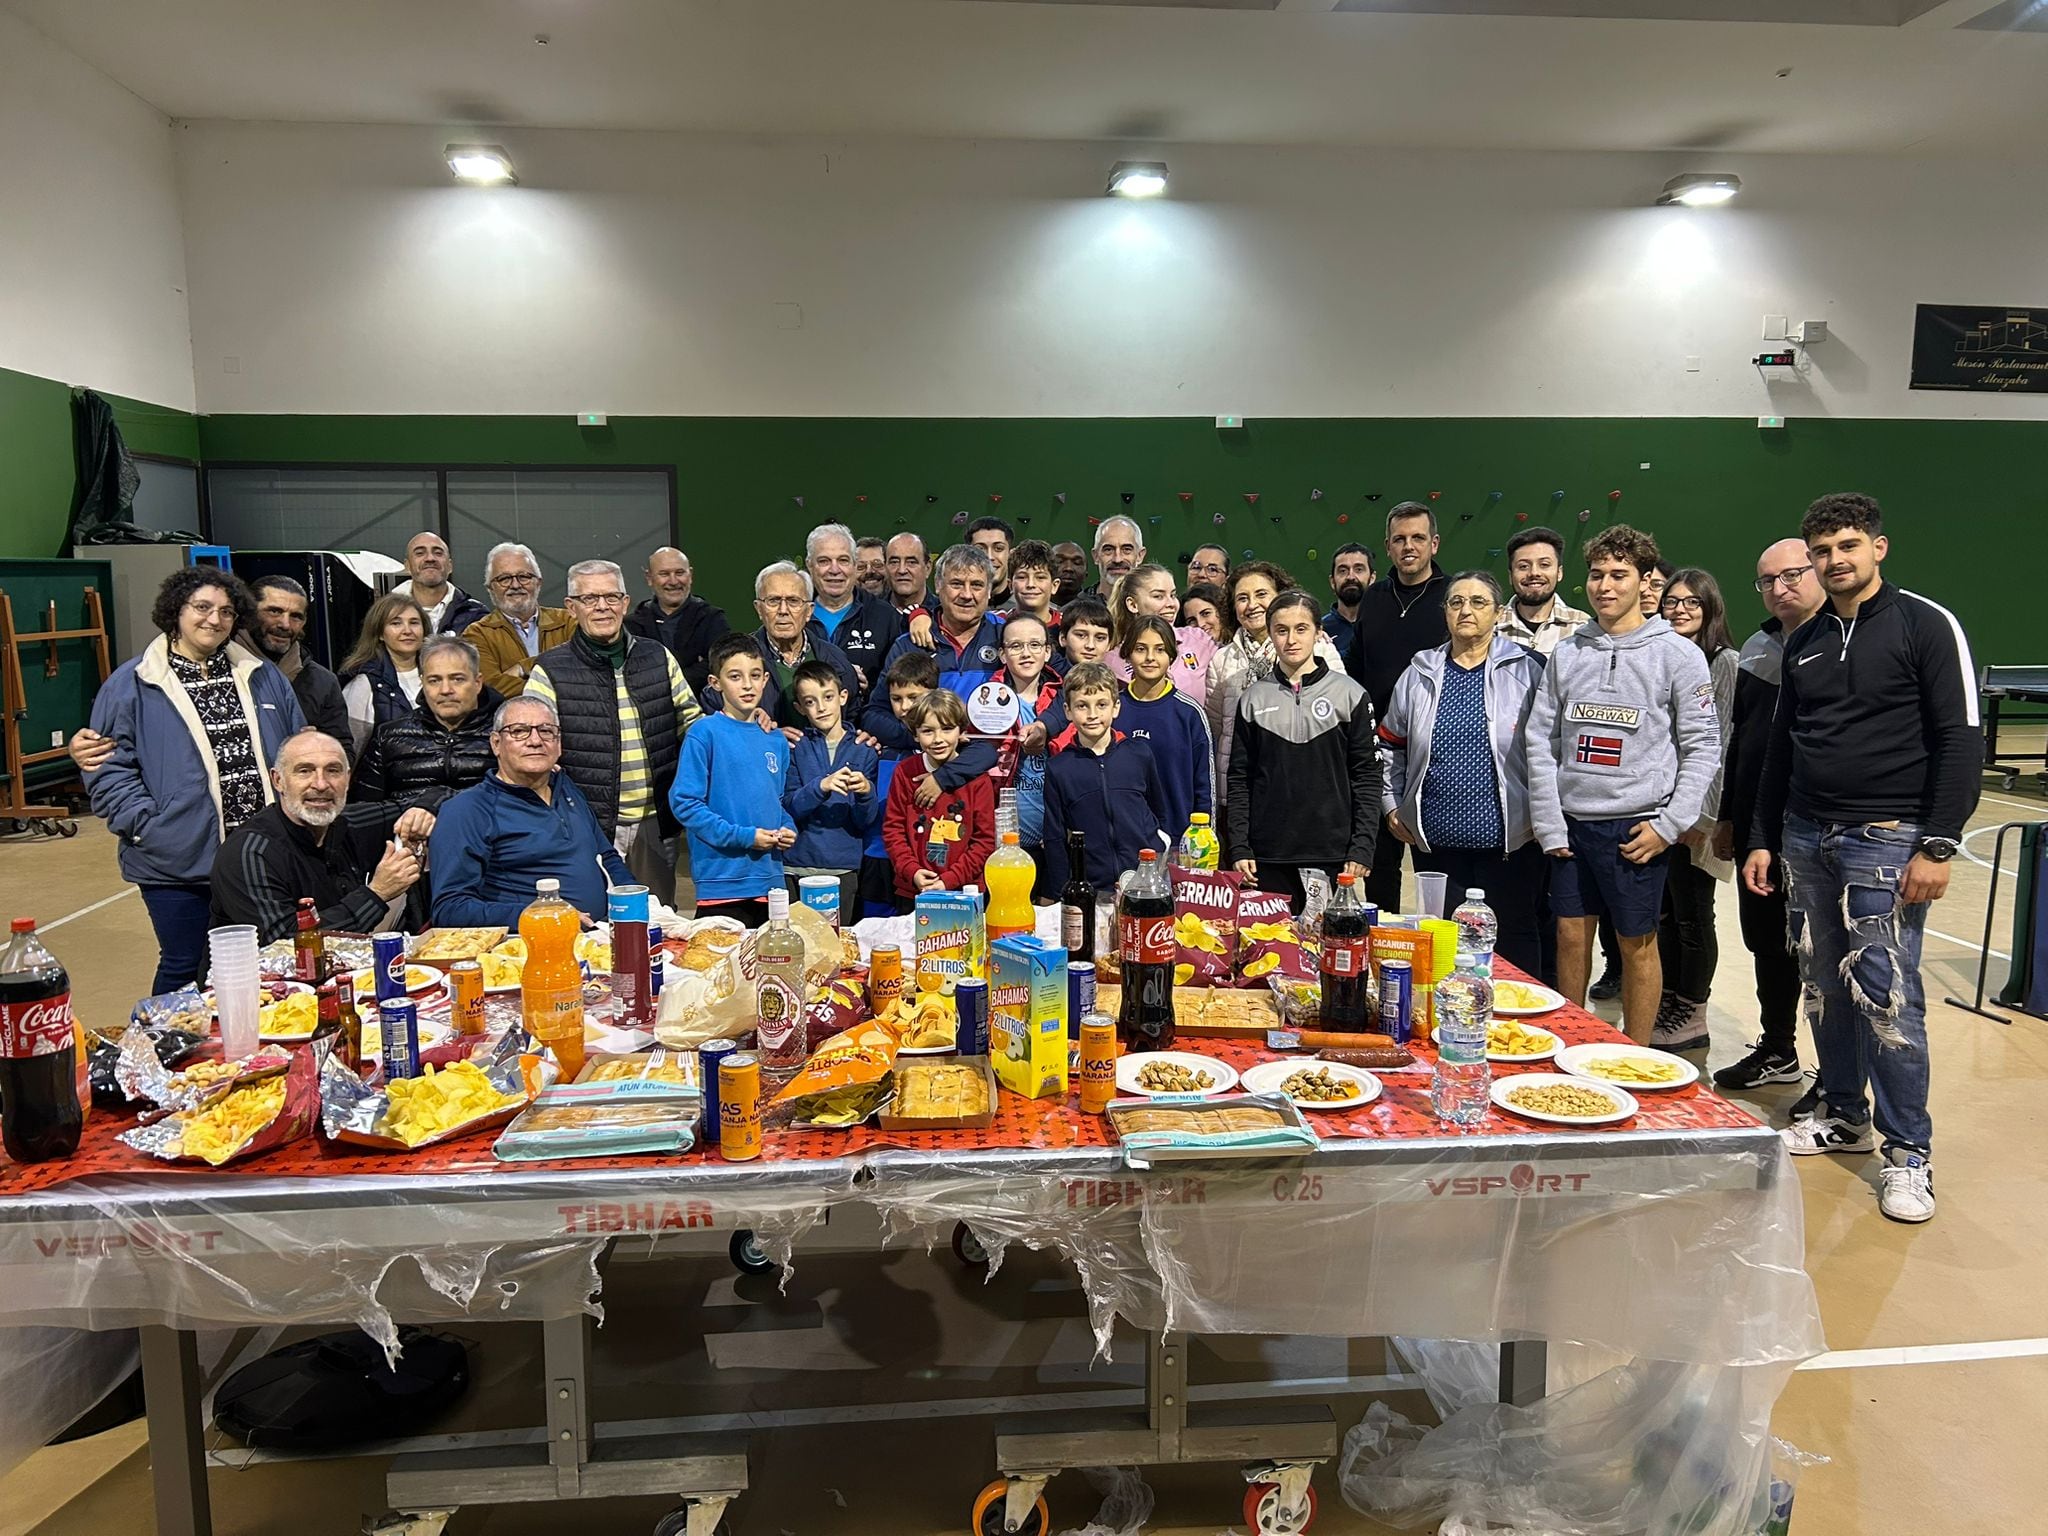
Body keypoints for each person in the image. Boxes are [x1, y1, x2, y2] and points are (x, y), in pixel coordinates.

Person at [1744, 493, 1978, 1224]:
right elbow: (1782, 747)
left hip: (1888, 838)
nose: (1834, 560)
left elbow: (1962, 738)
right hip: (1808, 838)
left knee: (1885, 993)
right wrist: (1762, 834)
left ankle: (1909, 1153)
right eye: (1822, 550)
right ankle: (1845, 1113)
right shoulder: (1805, 640)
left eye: (1847, 544)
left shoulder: (1925, 625)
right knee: (1822, 983)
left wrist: (1937, 844)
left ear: (1878, 547)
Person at [1527, 525, 1718, 1045]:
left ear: (1644, 581)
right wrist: (1549, 821)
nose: (1604, 586)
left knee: (1637, 942)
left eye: (1619, 575)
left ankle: (1638, 1054)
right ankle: (1570, 1043)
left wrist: (1669, 824)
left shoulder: (1678, 654)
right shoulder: (1569, 653)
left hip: (1637, 830)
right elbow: (1541, 738)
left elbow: (1703, 745)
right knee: (1569, 937)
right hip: (1571, 825)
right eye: (1596, 575)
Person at [84, 569, 305, 990]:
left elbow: (296, 746)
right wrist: (151, 826)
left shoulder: (262, 675)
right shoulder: (132, 684)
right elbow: (107, 768)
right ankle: (163, 1052)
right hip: (177, 864)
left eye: (226, 611)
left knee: (263, 968)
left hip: (256, 856)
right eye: (202, 608)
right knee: (185, 968)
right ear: (176, 611)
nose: (214, 619)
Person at [1379, 572, 1546, 977]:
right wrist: (1391, 804)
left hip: (1511, 841)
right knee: (1445, 949)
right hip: (1436, 844)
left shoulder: (1528, 669)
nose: (1465, 610)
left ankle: (1518, 1026)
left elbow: (1549, 750)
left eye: (1478, 602)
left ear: (1498, 613)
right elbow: (1389, 745)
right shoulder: (1419, 672)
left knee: (1516, 941)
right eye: (1455, 602)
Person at [1712, 539, 1826, 1095]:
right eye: (1767, 580)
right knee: (1766, 941)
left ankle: (1839, 1077)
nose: (1780, 589)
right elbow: (1742, 743)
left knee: (1825, 952)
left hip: (1821, 826)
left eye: (1792, 576)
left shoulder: (1843, 641)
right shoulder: (1757, 647)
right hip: (1760, 828)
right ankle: (1779, 1048)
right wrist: (1733, 817)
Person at [527, 559, 703, 906]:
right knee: (592, 925)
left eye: (611, 596)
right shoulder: (549, 670)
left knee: (656, 925)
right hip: (584, 827)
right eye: (590, 599)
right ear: (571, 607)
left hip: (655, 823)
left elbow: (693, 722)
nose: (602, 607)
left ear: (625, 602)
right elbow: (532, 740)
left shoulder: (658, 657)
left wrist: (744, 723)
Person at [1226, 591, 1379, 911]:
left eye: (1301, 628)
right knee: (1269, 956)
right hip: (1267, 856)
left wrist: (1361, 848)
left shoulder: (1350, 694)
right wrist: (1240, 848)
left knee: (1330, 953)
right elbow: (1239, 779)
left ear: (1318, 632)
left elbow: (1367, 776)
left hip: (1332, 855)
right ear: (1270, 634)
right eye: (1281, 630)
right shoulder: (1253, 698)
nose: (1291, 639)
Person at [209, 729, 432, 942]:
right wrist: (377, 893)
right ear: (278, 781)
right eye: (304, 771)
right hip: (259, 979)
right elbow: (285, 942)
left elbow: (442, 796)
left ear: (348, 778)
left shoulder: (351, 821)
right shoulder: (249, 852)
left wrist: (424, 810)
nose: (321, 784)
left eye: (333, 770)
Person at [429, 697, 631, 926]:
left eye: (546, 731)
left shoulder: (566, 789)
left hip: (601, 937)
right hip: (523, 947)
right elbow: (450, 909)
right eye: (519, 731)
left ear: (559, 743)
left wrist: (639, 904)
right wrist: (543, 917)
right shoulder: (467, 810)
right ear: (496, 744)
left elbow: (606, 857)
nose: (535, 741)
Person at [1652, 567, 1740, 1052]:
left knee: (1693, 915)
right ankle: (1669, 998)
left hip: (1698, 816)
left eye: (1692, 602)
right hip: (1663, 811)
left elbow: (1719, 744)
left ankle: (1693, 1011)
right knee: (1666, 914)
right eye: (1672, 601)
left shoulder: (1724, 661)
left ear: (1710, 610)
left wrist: (1702, 818)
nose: (1680, 610)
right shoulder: (1665, 657)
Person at [1353, 502, 1450, 913]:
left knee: (1437, 865)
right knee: (1380, 864)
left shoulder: (1452, 596)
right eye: (1399, 539)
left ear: (1434, 543)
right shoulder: (1373, 599)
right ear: (1388, 547)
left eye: (1417, 538)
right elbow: (1356, 670)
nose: (1408, 547)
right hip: (1380, 750)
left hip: (1437, 750)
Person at [672, 634, 796, 926]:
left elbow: (777, 802)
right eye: (735, 676)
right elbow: (685, 804)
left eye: (754, 676)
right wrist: (746, 837)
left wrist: (787, 828)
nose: (747, 685)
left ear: (766, 679)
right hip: (721, 885)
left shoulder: (775, 740)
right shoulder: (704, 734)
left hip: (770, 884)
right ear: (716, 683)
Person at [1206, 561, 1344, 819]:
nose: (1252, 605)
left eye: (1261, 595)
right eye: (1242, 598)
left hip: (1306, 791)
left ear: (1280, 598)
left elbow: (1341, 715)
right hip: (1240, 795)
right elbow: (1216, 728)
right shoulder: (1221, 661)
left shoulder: (1319, 649)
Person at [1041, 663, 1169, 896]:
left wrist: (1158, 861)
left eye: (1101, 705)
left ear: (1116, 707)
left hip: (1145, 881)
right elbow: (1055, 837)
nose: (1092, 715)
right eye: (1082, 706)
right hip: (1092, 888)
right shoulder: (1059, 768)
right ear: (1068, 711)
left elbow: (1157, 812)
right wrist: (1061, 893)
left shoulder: (1139, 753)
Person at [353, 634, 504, 813]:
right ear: (422, 683)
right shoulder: (388, 736)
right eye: (434, 680)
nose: (446, 690)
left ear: (478, 683)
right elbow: (365, 811)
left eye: (457, 679)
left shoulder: (507, 733)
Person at [703, 561, 861, 730]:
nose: (783, 610)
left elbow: (852, 717)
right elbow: (713, 705)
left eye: (793, 601)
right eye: (773, 601)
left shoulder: (835, 659)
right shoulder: (737, 659)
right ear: (759, 609)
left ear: (808, 611)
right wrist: (764, 735)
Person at [783, 657, 882, 918]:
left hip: (843, 867)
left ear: (843, 696)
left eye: (827, 697)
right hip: (796, 866)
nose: (821, 708)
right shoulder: (795, 747)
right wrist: (821, 786)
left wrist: (865, 793)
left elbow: (865, 820)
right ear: (800, 708)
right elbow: (789, 806)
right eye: (810, 702)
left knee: (837, 946)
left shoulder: (865, 750)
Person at [883, 689, 997, 898]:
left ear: (961, 731)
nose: (938, 739)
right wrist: (912, 871)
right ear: (915, 734)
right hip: (913, 890)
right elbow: (893, 829)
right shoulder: (905, 772)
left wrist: (950, 879)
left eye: (947, 729)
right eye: (928, 731)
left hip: (966, 890)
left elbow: (985, 840)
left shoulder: (979, 780)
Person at [1115, 613, 1214, 843]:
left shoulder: (1189, 713)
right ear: (1128, 653)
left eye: (1160, 649)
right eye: (1141, 649)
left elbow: (1205, 786)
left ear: (1171, 656)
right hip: (1124, 842)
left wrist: (1202, 842)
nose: (1150, 658)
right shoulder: (1113, 710)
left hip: (1179, 841)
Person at [875, 544, 1006, 701]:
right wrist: (921, 726)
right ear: (938, 585)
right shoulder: (908, 645)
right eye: (956, 584)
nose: (966, 594)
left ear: (989, 590)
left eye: (976, 585)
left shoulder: (1006, 636)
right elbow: (876, 711)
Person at [984, 613, 1062, 879]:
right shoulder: (986, 702)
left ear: (1048, 652)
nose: (1026, 653)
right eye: (1016, 646)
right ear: (1002, 655)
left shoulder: (1064, 700)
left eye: (1035, 645)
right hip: (1005, 842)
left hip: (1056, 839)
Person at [243, 576, 350, 752]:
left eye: (296, 616)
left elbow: (344, 750)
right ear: (249, 612)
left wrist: (320, 748)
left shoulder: (322, 682)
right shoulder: (221, 670)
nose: (285, 624)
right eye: (274, 611)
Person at [804, 522, 904, 705]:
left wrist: (870, 689)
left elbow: (901, 687)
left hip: (866, 729)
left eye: (843, 560)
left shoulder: (886, 617)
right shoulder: (795, 616)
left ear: (854, 565)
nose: (835, 570)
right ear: (810, 566)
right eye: (824, 561)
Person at [466, 542, 575, 699]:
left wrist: (522, 668)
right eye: (504, 579)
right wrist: (557, 685)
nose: (515, 585)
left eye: (524, 577)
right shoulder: (476, 634)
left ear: (538, 582)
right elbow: (491, 688)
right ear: (490, 588)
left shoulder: (568, 621)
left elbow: (583, 667)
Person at [627, 546, 731, 694]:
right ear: (649, 578)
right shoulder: (632, 626)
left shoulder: (712, 619)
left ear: (691, 575)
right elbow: (634, 674)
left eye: (680, 573)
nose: (673, 581)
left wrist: (660, 679)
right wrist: (695, 666)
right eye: (664, 574)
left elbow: (720, 665)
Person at [1107, 563, 1216, 702]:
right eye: (1158, 596)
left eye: (1173, 595)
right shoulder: (1113, 660)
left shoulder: (1197, 640)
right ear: (1133, 605)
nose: (1171, 603)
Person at [339, 592, 431, 757]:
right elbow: (351, 750)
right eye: (396, 623)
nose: (407, 630)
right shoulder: (365, 683)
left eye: (414, 623)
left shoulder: (439, 675)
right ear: (380, 633)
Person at [1497, 525, 1591, 656]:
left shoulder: (1583, 627)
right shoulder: (1491, 625)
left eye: (1544, 565)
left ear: (1559, 572)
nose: (1534, 573)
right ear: (1510, 576)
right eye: (1523, 566)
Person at [393, 531, 489, 634]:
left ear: (450, 566)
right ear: (407, 566)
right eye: (420, 553)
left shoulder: (475, 615)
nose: (430, 558)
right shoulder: (385, 613)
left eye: (438, 553)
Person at [1321, 543, 1375, 676]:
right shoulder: (1319, 631)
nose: (1351, 577)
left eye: (1359, 569)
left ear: (1372, 578)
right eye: (1343, 571)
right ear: (1332, 582)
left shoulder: (1387, 623)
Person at [1003, 538, 1062, 639]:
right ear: (1010, 585)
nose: (1031, 584)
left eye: (1040, 577)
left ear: (1054, 585)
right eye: (1022, 577)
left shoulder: (1069, 626)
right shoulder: (995, 623)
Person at [1091, 516, 1145, 599]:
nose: (1117, 559)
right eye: (1108, 550)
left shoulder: (1155, 608)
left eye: (1126, 549)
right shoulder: (1075, 610)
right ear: (1096, 556)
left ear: (1140, 555)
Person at [967, 516, 1015, 608]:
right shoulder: (950, 610)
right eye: (980, 549)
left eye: (998, 548)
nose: (989, 557)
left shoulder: (1031, 612)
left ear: (1010, 554)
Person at [1058, 595, 1115, 672]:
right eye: (1081, 635)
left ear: (1109, 644)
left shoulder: (1114, 683)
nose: (1090, 645)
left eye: (1100, 638)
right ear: (1063, 638)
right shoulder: (1045, 680)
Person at [884, 531, 932, 616]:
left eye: (911, 562)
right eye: (894, 562)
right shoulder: (870, 614)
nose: (902, 570)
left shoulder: (943, 615)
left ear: (927, 568)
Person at [1050, 540, 1090, 606]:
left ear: (1086, 575)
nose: (1068, 568)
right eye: (1059, 561)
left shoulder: (1096, 611)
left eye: (1077, 562)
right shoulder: (1030, 607)